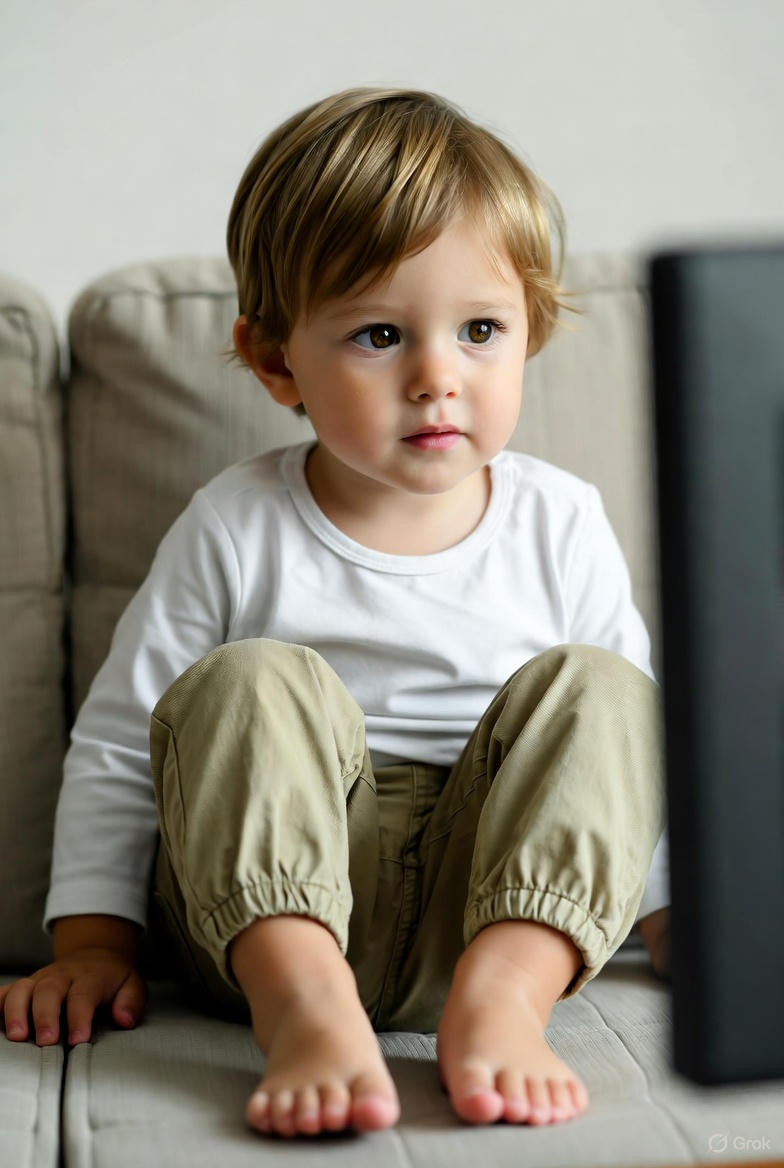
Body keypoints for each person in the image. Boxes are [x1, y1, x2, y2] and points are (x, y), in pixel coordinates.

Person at [0, 87, 671, 1138]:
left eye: (480, 329)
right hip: (268, 915)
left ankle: (502, 1001)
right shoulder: (234, 524)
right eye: (378, 334)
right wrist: (92, 941)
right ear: (276, 363)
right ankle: (306, 1006)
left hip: (489, 902)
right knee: (245, 680)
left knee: (608, 689)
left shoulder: (562, 522)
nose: (437, 376)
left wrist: (684, 921)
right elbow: (127, 743)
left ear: (528, 334)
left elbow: (627, 766)